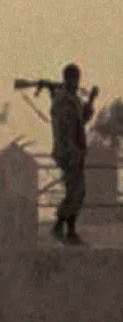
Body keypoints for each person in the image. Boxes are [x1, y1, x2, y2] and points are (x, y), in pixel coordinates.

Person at [50, 63, 98, 245]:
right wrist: (71, 151)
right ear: (68, 79)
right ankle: (64, 228)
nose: (77, 83)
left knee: (77, 191)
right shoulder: (62, 100)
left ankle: (65, 227)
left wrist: (91, 101)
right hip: (68, 152)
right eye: (75, 79)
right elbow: (64, 130)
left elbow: (81, 121)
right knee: (75, 190)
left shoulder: (73, 99)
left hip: (75, 151)